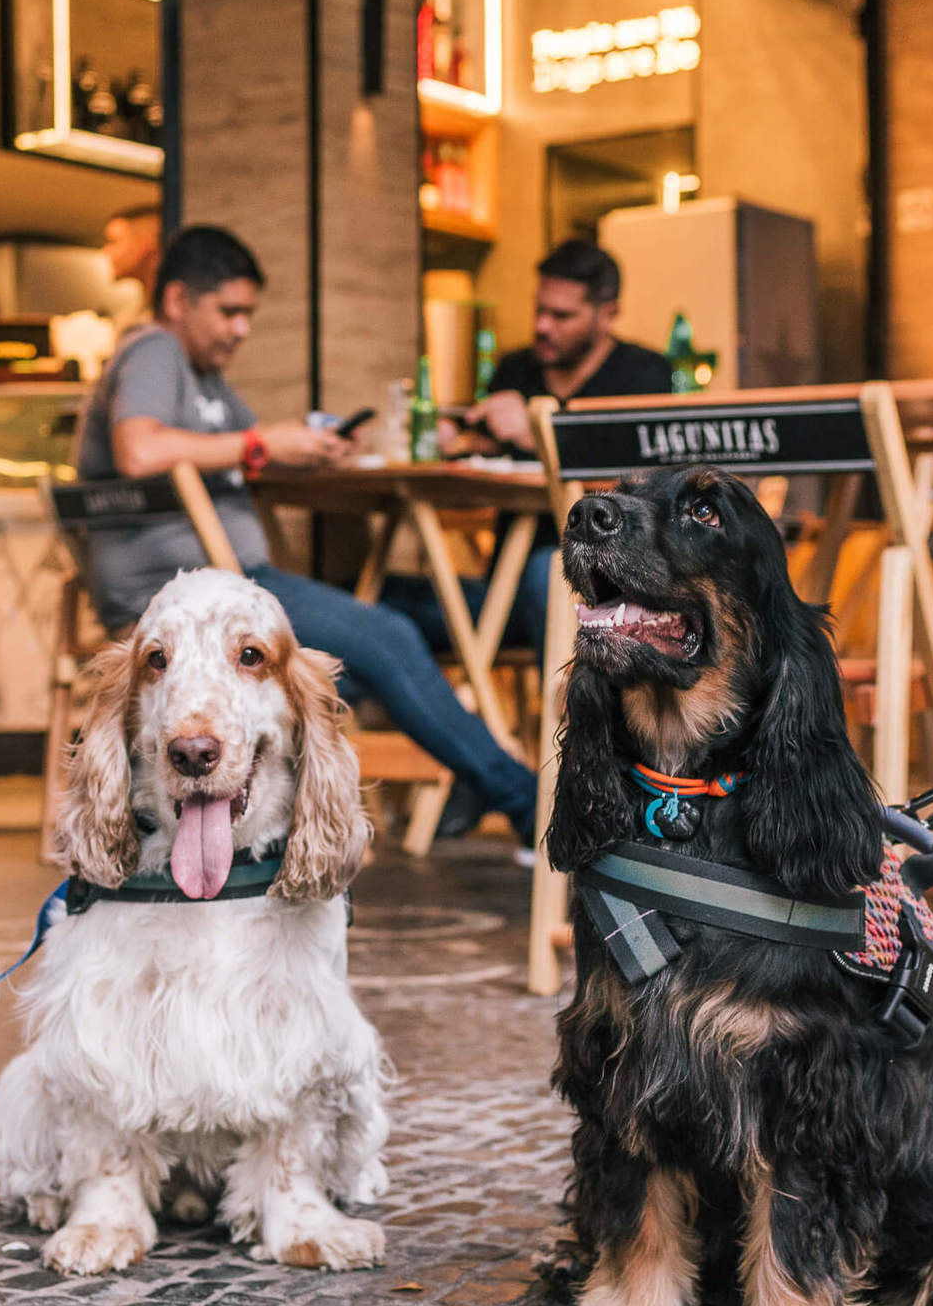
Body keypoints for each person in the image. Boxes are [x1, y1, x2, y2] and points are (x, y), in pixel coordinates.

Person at [73, 224, 538, 847]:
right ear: (179, 300)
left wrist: (309, 447)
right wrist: (263, 444)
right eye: (229, 312)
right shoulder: (154, 350)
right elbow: (139, 449)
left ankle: (475, 778)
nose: (242, 329)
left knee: (396, 620)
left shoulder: (206, 381)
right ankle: (527, 803)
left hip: (235, 590)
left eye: (249, 315)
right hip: (186, 599)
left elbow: (250, 449)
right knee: (388, 637)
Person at [384, 238, 672, 668]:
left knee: (549, 571)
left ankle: (577, 721)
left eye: (561, 315)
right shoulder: (514, 370)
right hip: (505, 586)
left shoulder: (645, 376)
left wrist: (539, 435)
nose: (542, 326)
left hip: (604, 584)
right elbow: (481, 457)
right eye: (539, 309)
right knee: (371, 597)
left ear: (607, 314)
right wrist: (454, 443)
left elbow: (647, 489)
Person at [102, 203, 163, 336]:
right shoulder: (128, 319)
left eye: (113, 242)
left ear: (144, 245)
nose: (105, 251)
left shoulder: (174, 319)